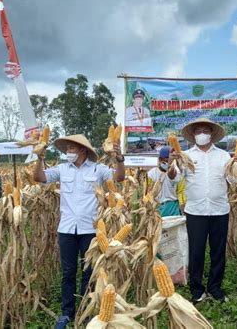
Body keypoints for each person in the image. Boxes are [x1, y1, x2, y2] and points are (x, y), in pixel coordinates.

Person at [33, 134, 125, 329]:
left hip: (90, 230)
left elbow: (119, 178)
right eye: (66, 149)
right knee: (67, 272)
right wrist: (39, 158)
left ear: (82, 150)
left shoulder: (97, 169)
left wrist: (119, 159)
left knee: (89, 272)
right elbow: (39, 178)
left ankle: (85, 309)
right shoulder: (61, 169)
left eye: (71, 149)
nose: (68, 152)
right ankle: (67, 312)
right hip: (66, 228)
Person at [169, 118, 237, 304]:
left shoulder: (224, 156)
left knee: (218, 251)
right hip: (196, 211)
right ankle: (196, 288)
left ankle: (214, 288)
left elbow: (234, 181)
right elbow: (175, 178)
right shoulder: (184, 155)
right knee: (196, 251)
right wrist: (172, 163)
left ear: (211, 134)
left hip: (220, 210)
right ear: (194, 135)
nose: (202, 133)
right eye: (198, 131)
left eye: (205, 130)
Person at [147, 146, 185, 216]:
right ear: (160, 159)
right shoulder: (151, 174)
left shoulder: (177, 173)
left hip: (173, 207)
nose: (169, 161)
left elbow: (181, 191)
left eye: (171, 159)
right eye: (167, 159)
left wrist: (182, 207)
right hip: (156, 207)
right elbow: (147, 192)